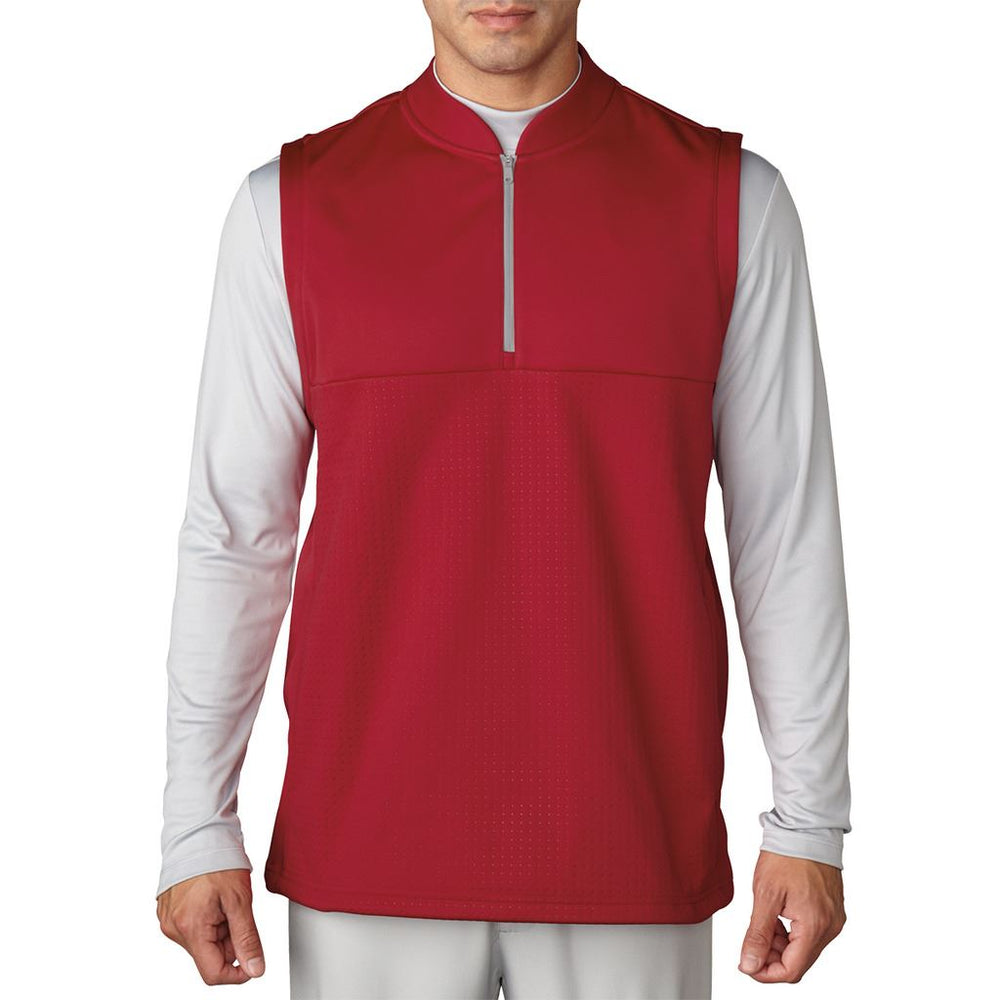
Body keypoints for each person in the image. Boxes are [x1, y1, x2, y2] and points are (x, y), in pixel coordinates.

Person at [155, 2, 851, 996]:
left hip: (629, 847)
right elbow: (234, 533)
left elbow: (784, 532)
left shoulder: (731, 200)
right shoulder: (291, 206)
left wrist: (809, 818)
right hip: (367, 854)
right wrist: (196, 822)